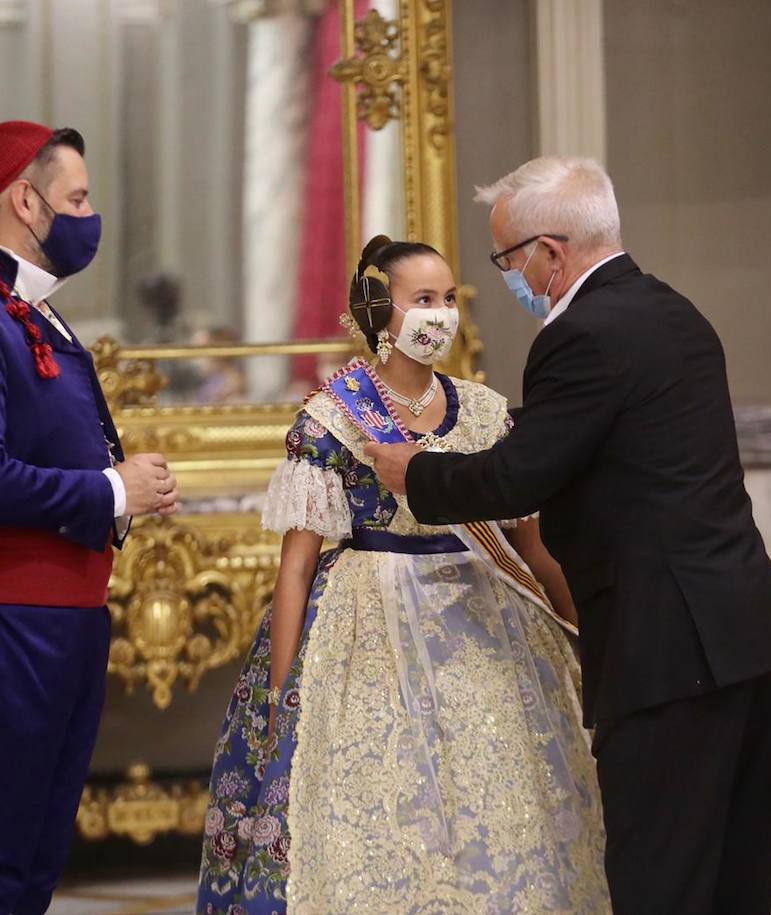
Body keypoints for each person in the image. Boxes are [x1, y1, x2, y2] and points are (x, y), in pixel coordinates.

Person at [365, 157, 771, 914]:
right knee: (732, 884)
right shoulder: (677, 312)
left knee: (659, 882)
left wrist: (417, 475)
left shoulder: (584, 334)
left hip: (670, 653)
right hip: (748, 634)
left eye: (508, 258)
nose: (510, 275)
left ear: (552, 251)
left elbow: (518, 477)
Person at [196, 235, 609, 914]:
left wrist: (586, 634)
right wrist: (277, 697)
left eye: (449, 298)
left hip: (486, 625)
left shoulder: (483, 410)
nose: (440, 314)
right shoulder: (334, 416)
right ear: (380, 310)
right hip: (366, 630)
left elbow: (532, 547)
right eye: (424, 300)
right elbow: (296, 569)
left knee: (500, 800)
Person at [0, 120, 179, 915]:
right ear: (25, 198)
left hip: (54, 623)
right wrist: (113, 491)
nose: (88, 214)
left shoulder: (22, 306)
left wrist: (123, 487)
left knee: (28, 868)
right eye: (76, 197)